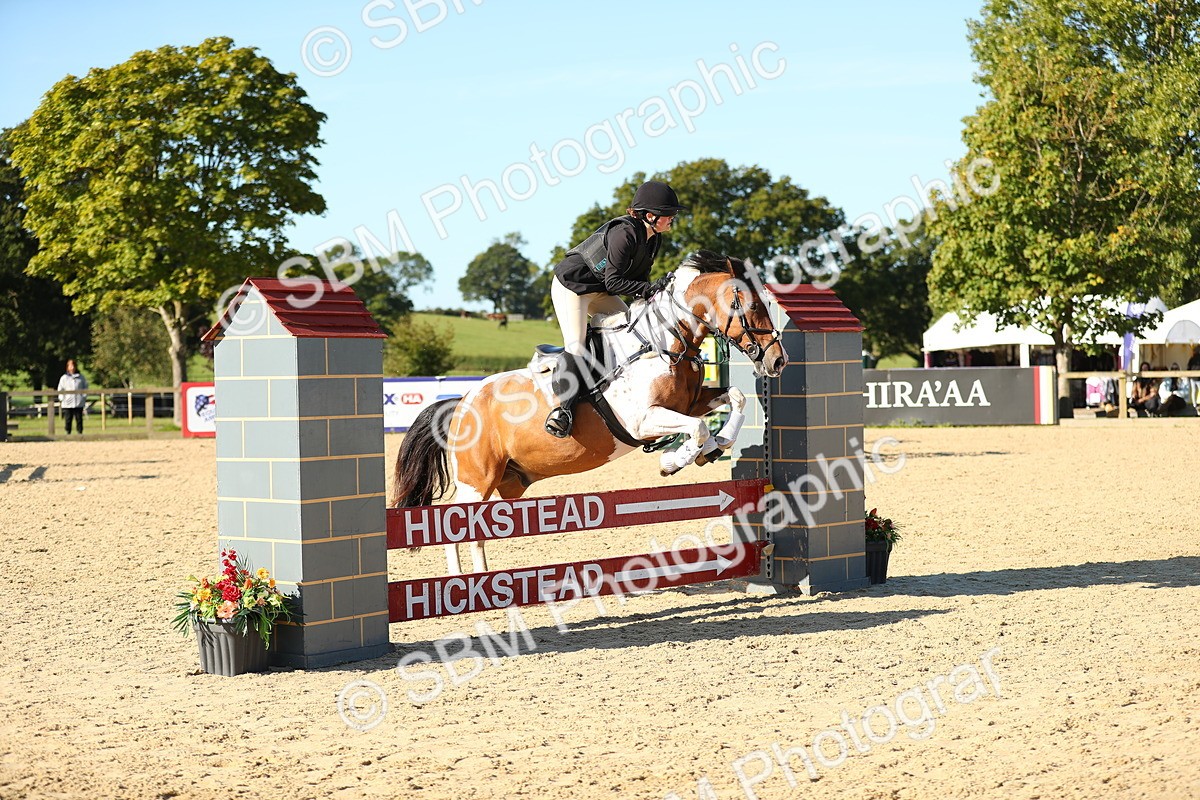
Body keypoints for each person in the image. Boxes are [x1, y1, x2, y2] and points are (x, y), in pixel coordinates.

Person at [543, 180, 688, 437]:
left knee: (630, 330)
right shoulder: (625, 233)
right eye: (669, 214)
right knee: (576, 344)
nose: (673, 218)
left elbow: (639, 282)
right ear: (650, 216)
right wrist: (649, 289)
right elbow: (615, 280)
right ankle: (562, 410)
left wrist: (656, 294)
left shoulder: (652, 239)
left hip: (601, 291)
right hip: (572, 287)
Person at [57, 359, 88, 434]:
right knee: (68, 420)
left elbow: (85, 388)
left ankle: (80, 433)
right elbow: (60, 389)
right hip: (67, 403)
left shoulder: (81, 377)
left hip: (78, 402)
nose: (72, 367)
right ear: (67, 367)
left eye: (73, 365)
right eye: (70, 366)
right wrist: (61, 398)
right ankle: (68, 433)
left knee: (79, 419)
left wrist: (83, 397)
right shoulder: (64, 378)